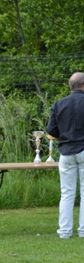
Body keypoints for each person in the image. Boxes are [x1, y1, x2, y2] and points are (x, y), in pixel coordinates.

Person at [46, 72, 84, 239]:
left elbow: (51, 131)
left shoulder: (59, 104)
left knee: (67, 193)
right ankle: (83, 230)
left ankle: (65, 231)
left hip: (66, 152)